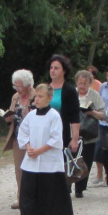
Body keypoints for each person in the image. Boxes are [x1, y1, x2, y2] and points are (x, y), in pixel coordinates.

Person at [8, 84, 74, 215]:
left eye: (40, 97)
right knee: (28, 189)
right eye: (36, 96)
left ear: (49, 98)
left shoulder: (54, 116)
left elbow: (56, 138)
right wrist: (29, 146)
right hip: (32, 160)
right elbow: (23, 132)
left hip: (49, 161)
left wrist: (39, 151)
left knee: (51, 190)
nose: (37, 99)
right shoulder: (31, 115)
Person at [3, 69, 36, 209]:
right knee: (19, 169)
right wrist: (8, 118)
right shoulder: (15, 96)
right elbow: (10, 113)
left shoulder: (36, 95)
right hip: (18, 137)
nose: (17, 89)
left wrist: (28, 114)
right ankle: (20, 197)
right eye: (15, 86)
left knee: (34, 168)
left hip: (34, 138)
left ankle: (34, 198)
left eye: (20, 86)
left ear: (28, 85)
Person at [46, 55, 80, 190]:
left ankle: (63, 189)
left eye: (56, 68)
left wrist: (75, 138)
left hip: (62, 132)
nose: (53, 70)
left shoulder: (70, 90)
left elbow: (75, 116)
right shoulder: (44, 88)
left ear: (64, 70)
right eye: (51, 68)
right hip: (45, 131)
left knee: (61, 163)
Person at [74, 70, 106, 198]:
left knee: (85, 160)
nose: (82, 86)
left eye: (85, 83)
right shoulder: (72, 93)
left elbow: (104, 115)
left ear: (90, 84)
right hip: (73, 132)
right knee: (71, 159)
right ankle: (68, 184)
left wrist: (92, 112)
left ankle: (80, 188)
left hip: (89, 134)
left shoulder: (95, 95)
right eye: (80, 83)